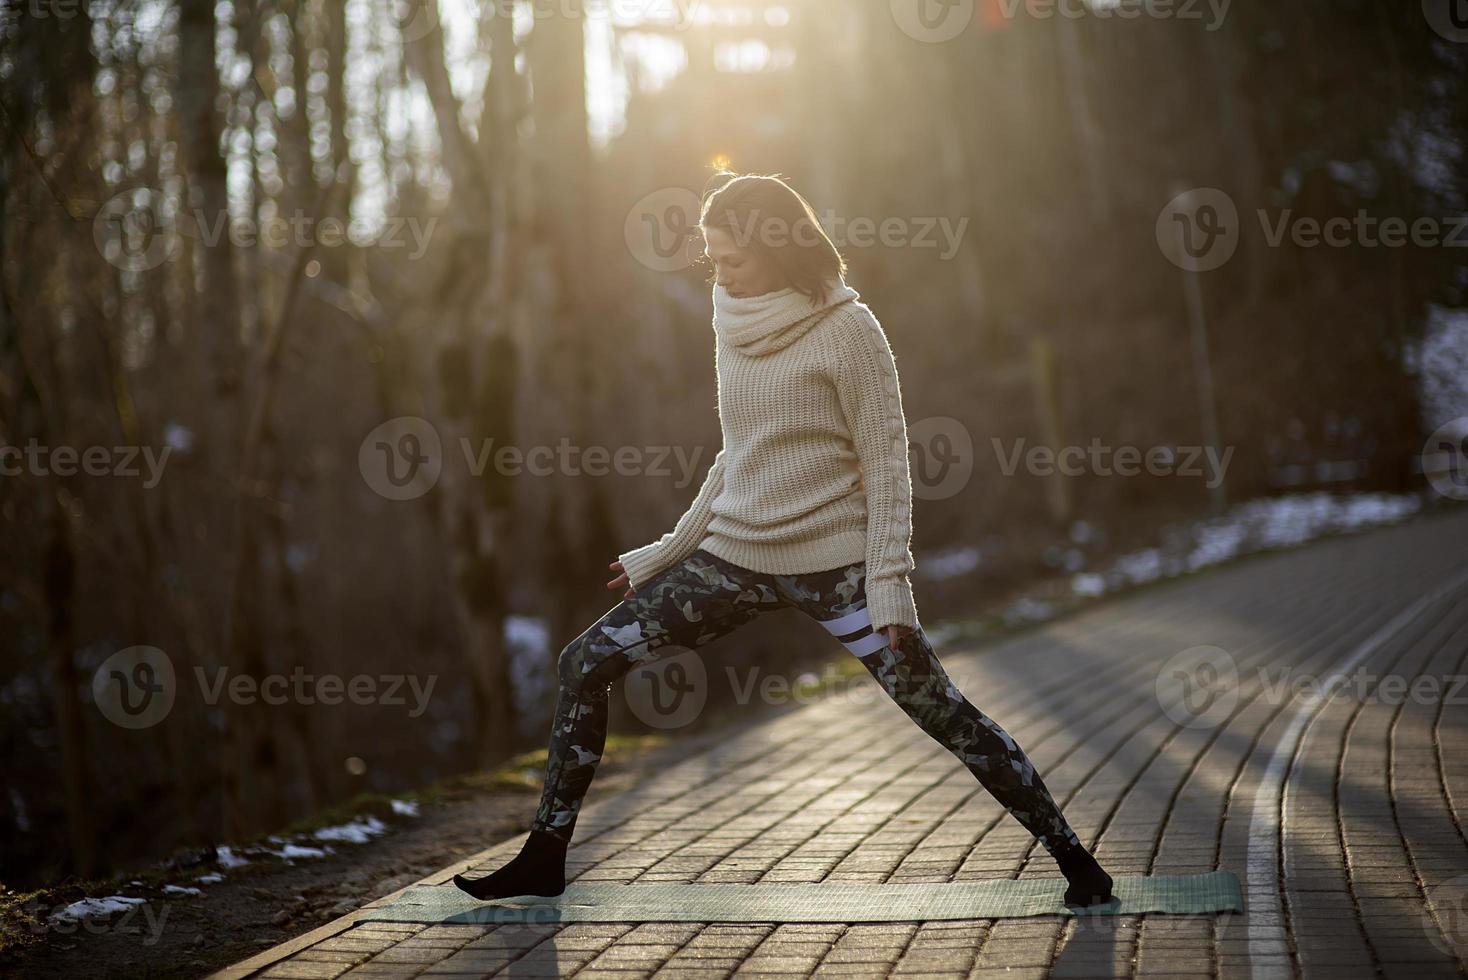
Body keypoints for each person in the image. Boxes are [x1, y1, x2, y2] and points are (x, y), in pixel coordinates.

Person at [454, 173, 1114, 908]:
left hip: (835, 567)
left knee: (942, 711)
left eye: (731, 257)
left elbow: (889, 462)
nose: (719, 272)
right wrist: (671, 550)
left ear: (777, 245)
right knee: (584, 663)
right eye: (712, 258)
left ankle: (1074, 858)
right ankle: (545, 859)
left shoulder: (849, 330)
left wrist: (890, 581)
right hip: (732, 558)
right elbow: (739, 448)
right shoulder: (729, 314)